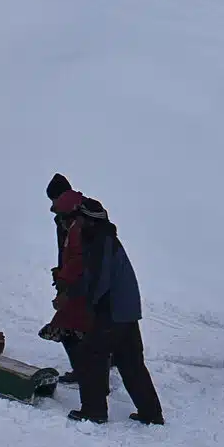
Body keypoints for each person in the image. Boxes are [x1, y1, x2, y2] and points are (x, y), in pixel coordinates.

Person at [40, 176, 163, 425]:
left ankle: (94, 411)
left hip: (112, 308)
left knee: (91, 354)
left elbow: (97, 279)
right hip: (125, 305)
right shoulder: (98, 233)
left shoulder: (95, 238)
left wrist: (77, 300)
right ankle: (151, 414)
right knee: (131, 362)